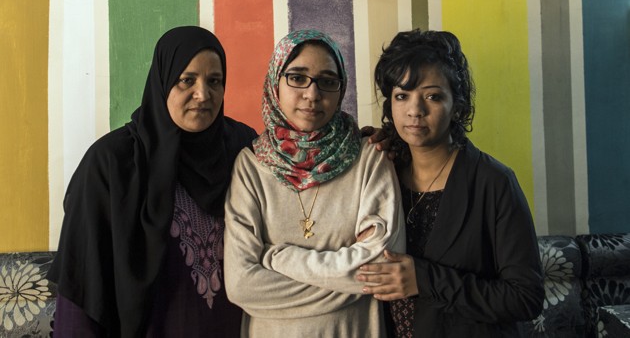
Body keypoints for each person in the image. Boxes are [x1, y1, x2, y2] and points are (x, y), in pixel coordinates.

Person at [49, 26, 257, 337]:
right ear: (162, 81)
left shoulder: (243, 148)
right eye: (186, 80)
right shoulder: (112, 163)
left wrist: (355, 144)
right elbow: (83, 285)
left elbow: (299, 174)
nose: (203, 95)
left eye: (215, 81)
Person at [357, 29, 544, 337]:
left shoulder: (494, 183)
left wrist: (425, 279)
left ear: (457, 105)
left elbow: (525, 297)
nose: (415, 110)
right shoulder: (380, 171)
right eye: (402, 96)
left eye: (432, 96)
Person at [223, 29, 405, 337]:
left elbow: (380, 265)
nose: (312, 94)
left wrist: (277, 257)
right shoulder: (251, 165)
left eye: (327, 81)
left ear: (341, 87)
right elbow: (242, 286)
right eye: (297, 77)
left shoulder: (368, 156)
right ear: (275, 83)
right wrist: (347, 277)